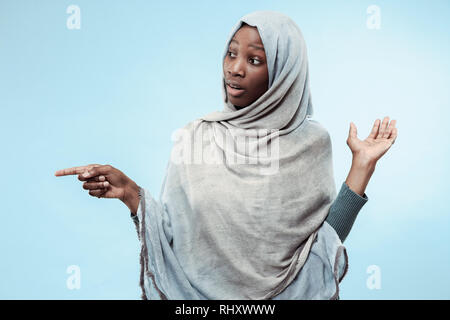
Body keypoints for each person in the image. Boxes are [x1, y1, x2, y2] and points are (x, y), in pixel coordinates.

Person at [55, 11, 397, 300]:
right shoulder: (196, 135)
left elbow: (320, 248)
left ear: (283, 73)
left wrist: (362, 167)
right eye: (231, 54)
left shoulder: (311, 142)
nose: (235, 69)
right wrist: (130, 193)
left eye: (254, 60)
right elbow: (174, 241)